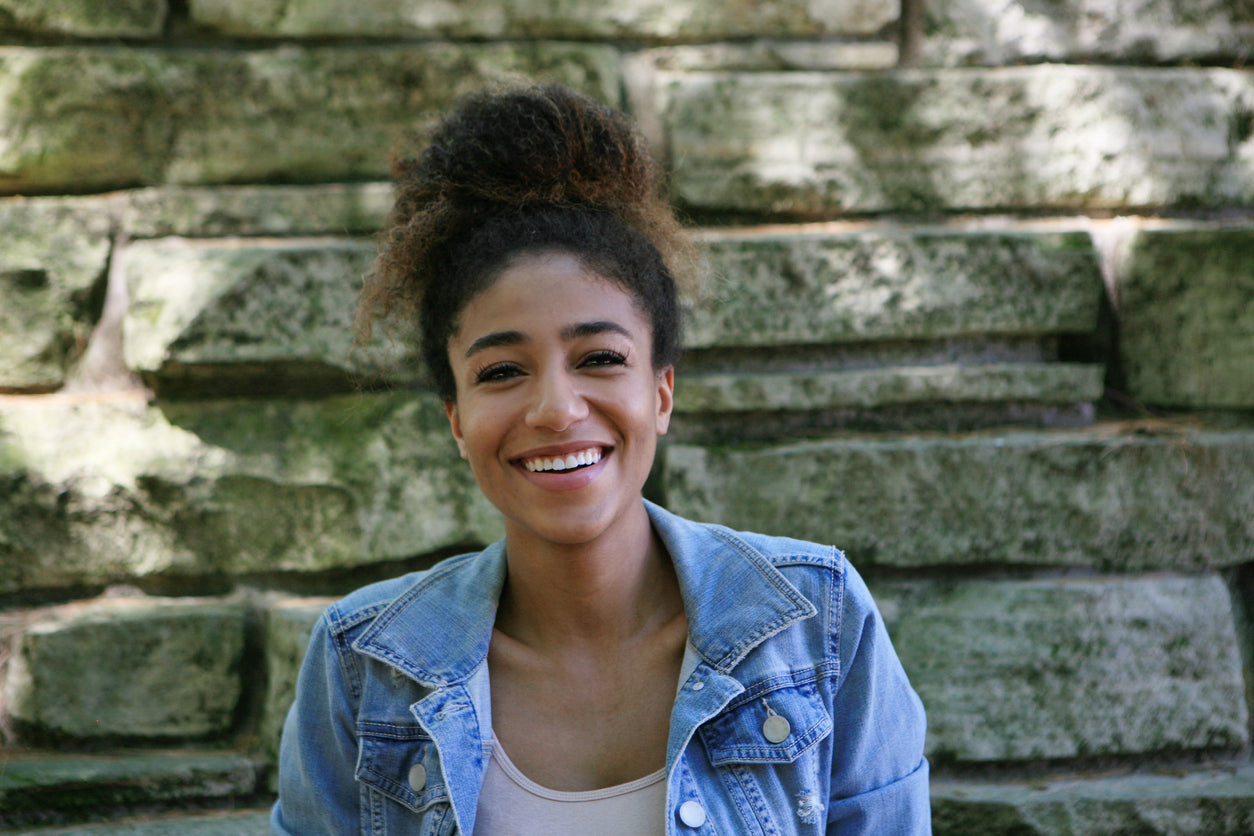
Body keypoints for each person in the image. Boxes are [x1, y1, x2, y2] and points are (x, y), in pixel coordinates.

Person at [272, 82, 930, 835]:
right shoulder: (363, 667)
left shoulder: (821, 624)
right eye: (501, 371)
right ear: (457, 419)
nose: (555, 408)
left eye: (600, 357)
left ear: (661, 392)